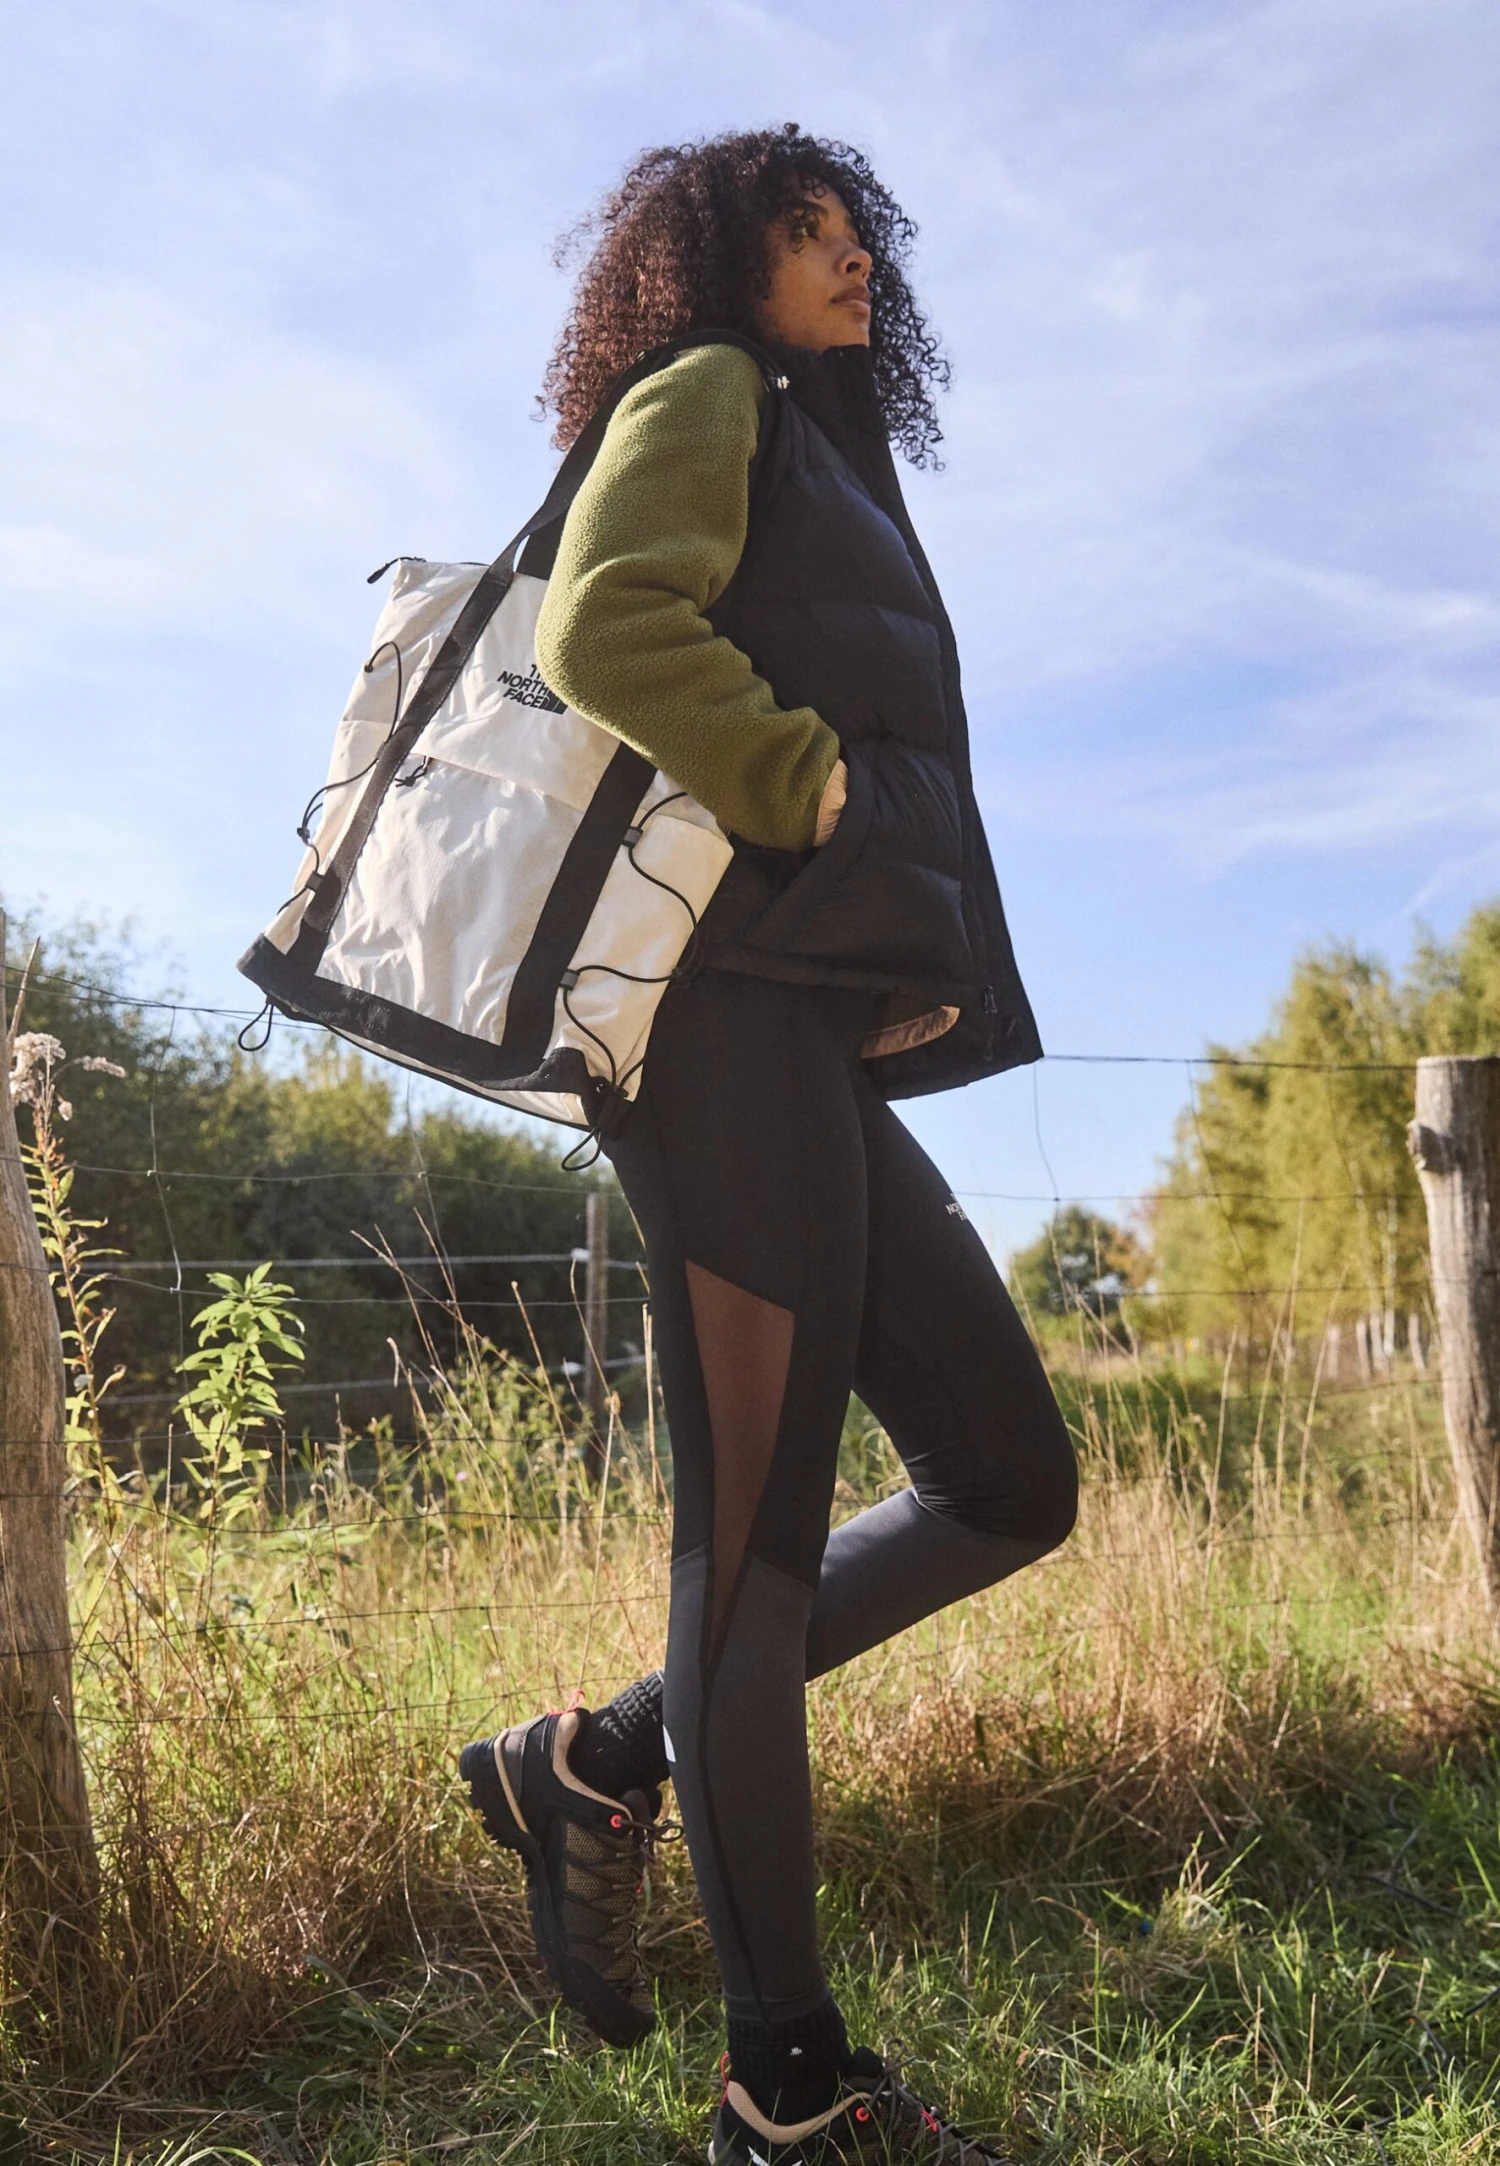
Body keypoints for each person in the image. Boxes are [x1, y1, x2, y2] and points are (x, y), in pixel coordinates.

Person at [460, 125, 1077, 2165]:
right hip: (716, 1023)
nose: (851, 260)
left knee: (1008, 1474)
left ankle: (599, 1756)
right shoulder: (708, 386)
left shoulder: (822, 450)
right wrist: (805, 790)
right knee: (754, 1545)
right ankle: (786, 2097)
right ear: (723, 259)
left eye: (857, 233)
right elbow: (604, 626)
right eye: (808, 233)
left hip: (799, 1028)